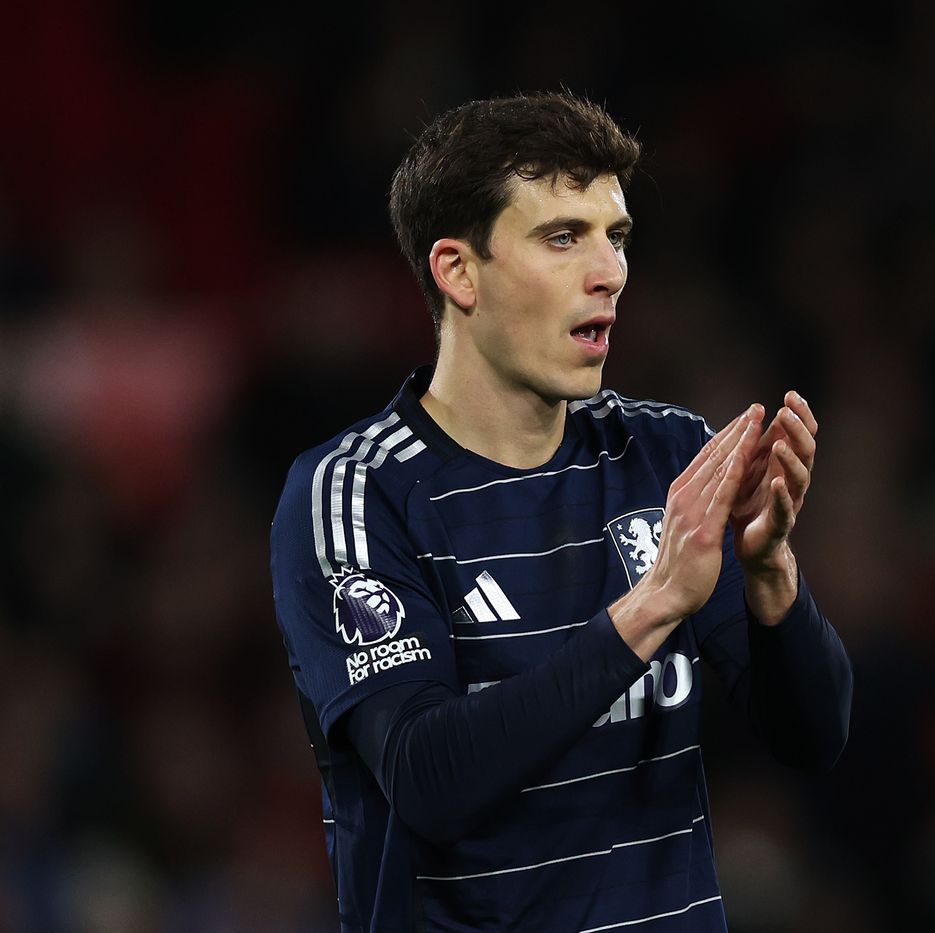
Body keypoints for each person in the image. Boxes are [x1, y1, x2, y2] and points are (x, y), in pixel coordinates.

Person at [270, 91, 853, 932]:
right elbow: (429, 777)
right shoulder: (357, 493)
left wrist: (772, 578)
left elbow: (813, 737)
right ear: (458, 271)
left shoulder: (665, 457)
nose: (609, 271)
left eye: (616, 235)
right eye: (562, 237)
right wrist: (652, 606)